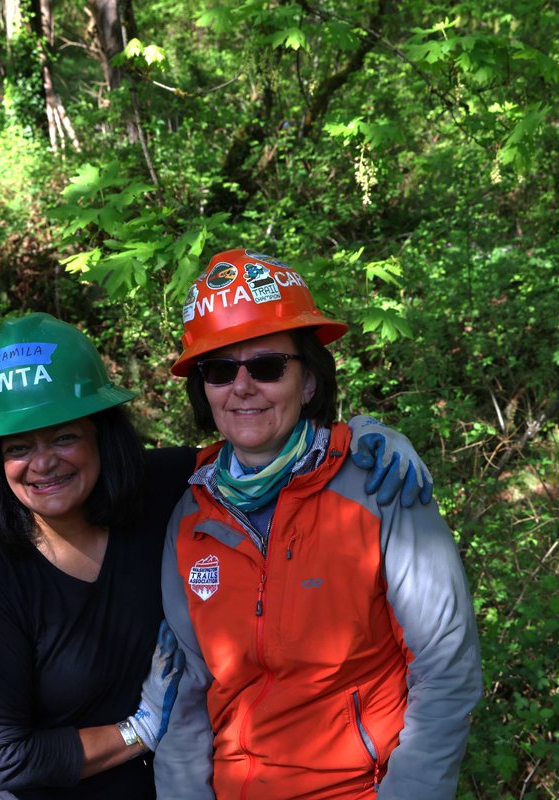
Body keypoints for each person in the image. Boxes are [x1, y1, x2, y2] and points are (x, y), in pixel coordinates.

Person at [0, 312, 434, 799]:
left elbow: (265, 450)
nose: (44, 462)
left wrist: (365, 439)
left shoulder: (164, 490)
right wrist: (140, 730)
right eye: (18, 447)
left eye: (65, 436)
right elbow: (4, 758)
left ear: (101, 434)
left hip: (142, 782)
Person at [154, 248, 484, 800]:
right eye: (219, 369)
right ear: (203, 389)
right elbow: (185, 686)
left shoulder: (379, 484)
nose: (242, 386)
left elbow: (446, 663)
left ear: (308, 381)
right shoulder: (190, 513)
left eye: (267, 366)